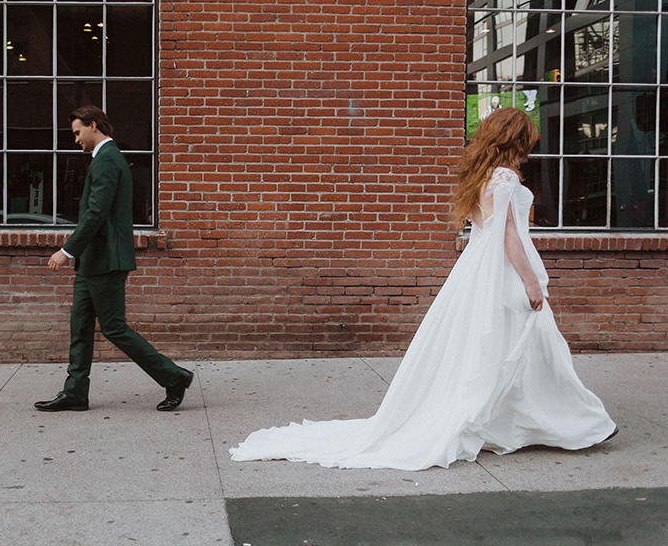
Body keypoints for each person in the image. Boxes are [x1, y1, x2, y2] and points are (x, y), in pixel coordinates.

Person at [230, 108, 617, 470]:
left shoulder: (481, 175)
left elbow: (484, 232)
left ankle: (547, 420)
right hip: (501, 270)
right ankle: (575, 422)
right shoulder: (505, 178)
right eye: (528, 139)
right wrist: (531, 280)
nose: (532, 146)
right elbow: (508, 235)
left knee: (505, 345)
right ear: (514, 140)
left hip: (477, 269)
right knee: (529, 343)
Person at [36, 106, 193, 413]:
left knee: (114, 328)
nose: (76, 139)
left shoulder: (108, 160)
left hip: (106, 261)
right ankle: (75, 392)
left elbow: (96, 213)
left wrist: (67, 251)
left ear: (94, 125)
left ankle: (174, 377)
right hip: (94, 261)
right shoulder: (103, 159)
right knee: (79, 326)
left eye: (78, 132)